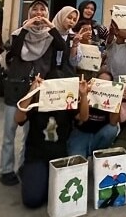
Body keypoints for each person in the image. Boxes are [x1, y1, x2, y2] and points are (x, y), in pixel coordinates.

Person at [0, 0, 65, 186]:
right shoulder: (18, 34)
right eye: (34, 9)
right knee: (9, 133)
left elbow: (62, 47)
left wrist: (51, 26)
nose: (38, 13)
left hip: (37, 91)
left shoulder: (51, 37)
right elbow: (16, 51)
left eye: (42, 10)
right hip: (15, 88)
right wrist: (26, 28)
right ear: (28, 14)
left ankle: (23, 165)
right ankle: (5, 170)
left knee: (30, 134)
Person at [15, 75, 89, 208]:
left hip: (59, 157)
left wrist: (83, 96)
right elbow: (19, 118)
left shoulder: (67, 105)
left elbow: (83, 117)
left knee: (61, 197)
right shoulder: (36, 104)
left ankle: (39, 179)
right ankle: (28, 173)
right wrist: (32, 92)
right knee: (32, 200)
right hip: (36, 156)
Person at [66, 69, 120, 157]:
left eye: (106, 84)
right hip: (81, 134)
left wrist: (119, 99)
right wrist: (84, 96)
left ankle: (98, 155)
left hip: (99, 135)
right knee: (77, 164)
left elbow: (113, 122)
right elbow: (83, 118)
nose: (102, 86)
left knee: (112, 129)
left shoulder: (111, 99)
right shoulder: (83, 93)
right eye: (100, 82)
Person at [50, 6, 81, 78]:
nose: (71, 21)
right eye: (69, 18)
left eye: (74, 20)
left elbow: (73, 62)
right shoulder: (48, 32)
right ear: (62, 16)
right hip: (47, 74)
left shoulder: (72, 36)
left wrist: (74, 45)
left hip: (66, 76)